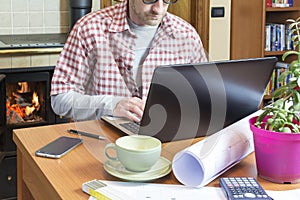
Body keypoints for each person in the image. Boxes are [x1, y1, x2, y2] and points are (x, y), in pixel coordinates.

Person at [50, 0, 207, 122]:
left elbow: (203, 96)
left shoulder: (187, 35)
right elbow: (60, 99)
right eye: (149, 0)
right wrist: (111, 105)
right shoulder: (89, 29)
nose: (158, 9)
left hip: (164, 142)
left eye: (167, 0)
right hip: (102, 142)